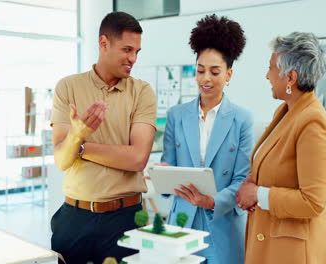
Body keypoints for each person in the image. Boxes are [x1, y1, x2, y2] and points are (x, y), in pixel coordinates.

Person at [50, 12, 156, 264]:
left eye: (137, 52)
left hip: (125, 219)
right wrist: (75, 134)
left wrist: (80, 145)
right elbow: (62, 160)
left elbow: (138, 158)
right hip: (74, 217)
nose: (133, 58)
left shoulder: (142, 91)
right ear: (104, 43)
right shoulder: (67, 87)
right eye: (127, 49)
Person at [160, 14, 254, 264]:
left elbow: (242, 179)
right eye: (200, 70)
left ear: (229, 74)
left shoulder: (242, 119)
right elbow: (168, 169)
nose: (206, 79)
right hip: (182, 221)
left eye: (214, 71)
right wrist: (162, 175)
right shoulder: (176, 116)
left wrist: (212, 200)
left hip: (221, 221)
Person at [236, 32, 326, 263]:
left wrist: (258, 194)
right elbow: (282, 167)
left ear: (290, 77)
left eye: (271, 68)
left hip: (295, 251)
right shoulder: (286, 112)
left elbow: (313, 201)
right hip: (272, 241)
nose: (267, 75)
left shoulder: (313, 121)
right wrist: (255, 178)